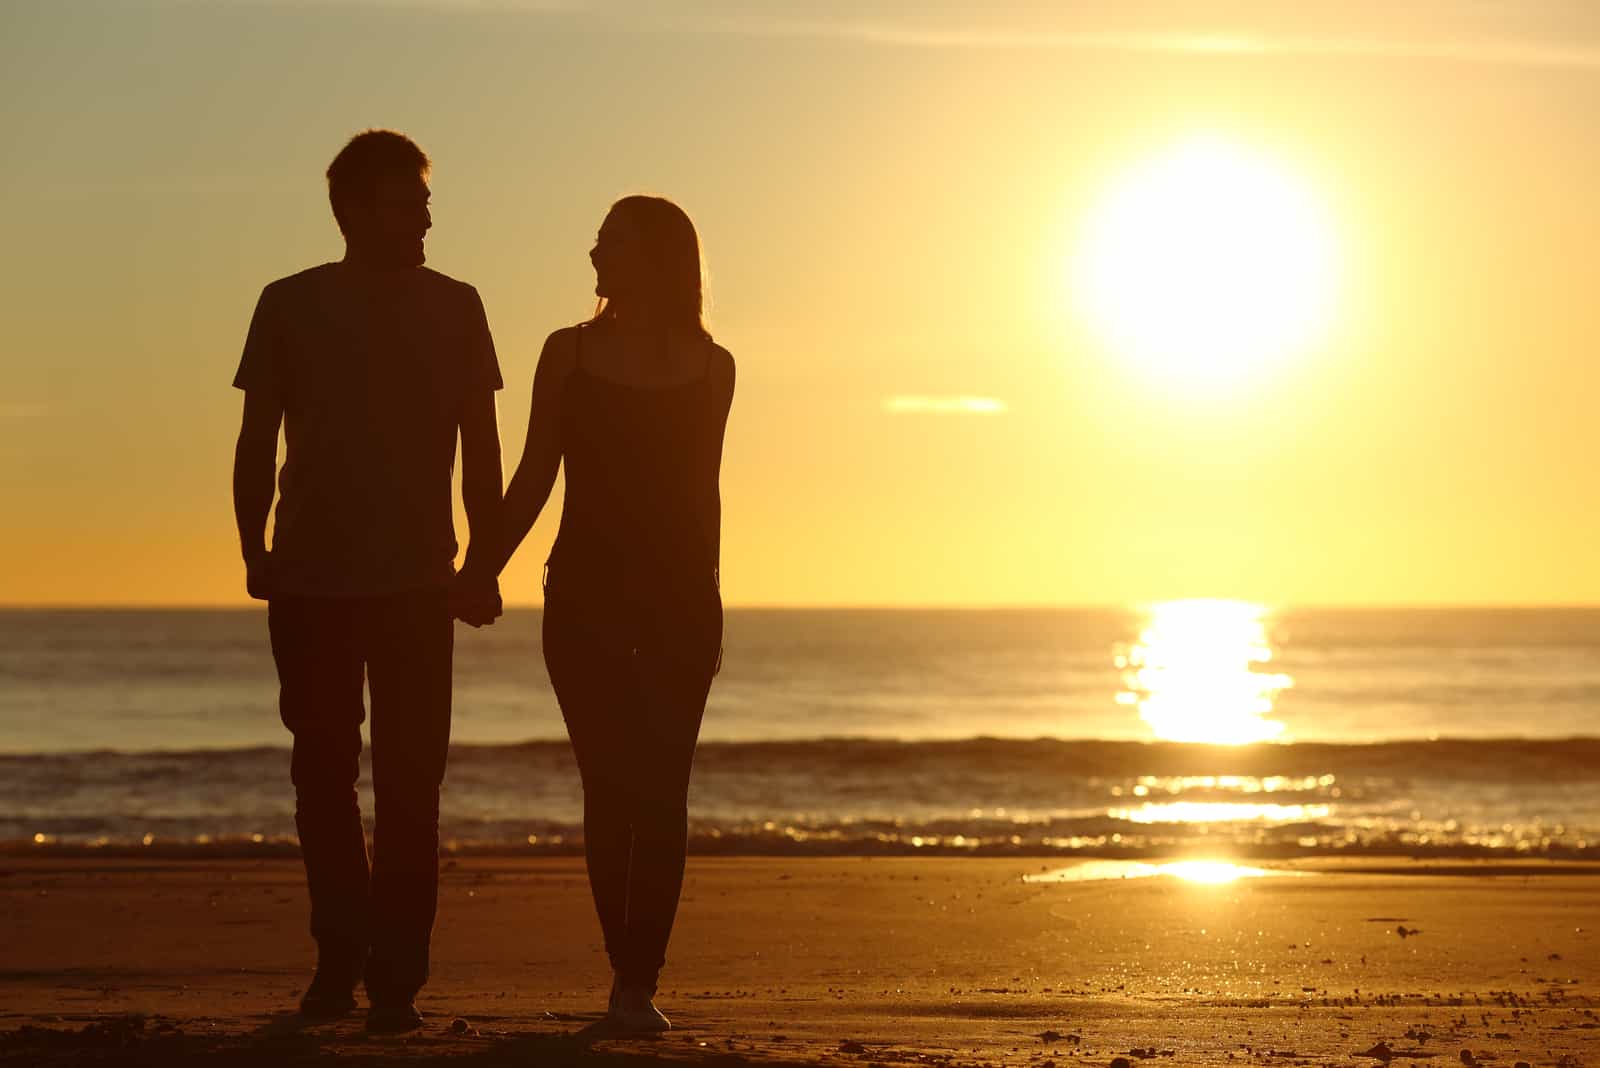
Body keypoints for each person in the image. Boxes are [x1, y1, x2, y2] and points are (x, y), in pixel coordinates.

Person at [230, 129, 505, 1032]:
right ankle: (338, 953)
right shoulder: (288, 304)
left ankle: (398, 972)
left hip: (419, 586)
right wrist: (252, 549)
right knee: (321, 777)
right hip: (310, 582)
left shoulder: (458, 306)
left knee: (411, 782)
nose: (424, 216)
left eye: (426, 202)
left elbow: (482, 452)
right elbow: (257, 437)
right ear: (353, 209)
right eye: (405, 202)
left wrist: (481, 564)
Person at [497, 195, 734, 1033]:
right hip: (586, 596)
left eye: (611, 240)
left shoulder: (714, 367)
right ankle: (622, 975)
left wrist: (708, 602)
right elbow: (534, 476)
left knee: (663, 791)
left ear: (658, 257)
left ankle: (641, 984)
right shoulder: (568, 353)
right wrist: (477, 569)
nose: (593, 250)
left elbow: (702, 496)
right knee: (609, 787)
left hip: (677, 602)